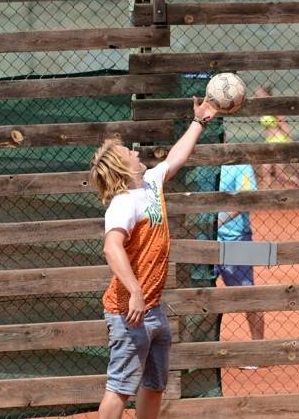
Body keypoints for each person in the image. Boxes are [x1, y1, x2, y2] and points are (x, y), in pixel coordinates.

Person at [89, 97, 218, 419]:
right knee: (120, 388)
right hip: (129, 312)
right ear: (122, 168)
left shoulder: (150, 185)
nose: (135, 152)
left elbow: (175, 158)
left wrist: (198, 122)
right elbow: (111, 247)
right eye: (128, 153)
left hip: (153, 308)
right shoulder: (123, 203)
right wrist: (134, 292)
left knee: (154, 385)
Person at [216, 162, 265, 361]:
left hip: (238, 238)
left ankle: (258, 353)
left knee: (249, 295)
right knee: (195, 297)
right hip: (200, 239)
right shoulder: (198, 164)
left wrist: (218, 221)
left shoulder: (240, 166)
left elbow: (247, 198)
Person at [254, 85, 299, 188]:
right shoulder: (262, 108)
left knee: (280, 175)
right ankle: (264, 194)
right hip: (268, 142)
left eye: (258, 94)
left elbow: (284, 125)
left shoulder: (275, 107)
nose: (256, 96)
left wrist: (290, 142)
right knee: (265, 171)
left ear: (266, 94)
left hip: (279, 141)